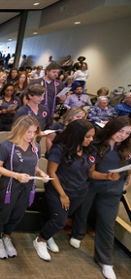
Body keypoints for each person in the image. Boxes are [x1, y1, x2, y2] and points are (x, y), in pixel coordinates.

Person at [70, 117, 131, 279]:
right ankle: (77, 234)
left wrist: (126, 184)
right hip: (92, 183)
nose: (123, 135)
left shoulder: (127, 147)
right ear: (112, 128)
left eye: (127, 133)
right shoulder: (96, 143)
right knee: (83, 212)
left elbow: (129, 171)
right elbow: (91, 172)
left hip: (112, 190)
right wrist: (108, 177)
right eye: (120, 131)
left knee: (107, 225)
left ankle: (105, 261)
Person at [34, 119, 95, 262]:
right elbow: (52, 173)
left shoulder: (89, 150)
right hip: (59, 189)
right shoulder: (59, 149)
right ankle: (40, 240)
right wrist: (62, 195)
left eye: (92, 136)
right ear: (77, 135)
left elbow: (91, 173)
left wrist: (107, 176)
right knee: (60, 221)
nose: (91, 140)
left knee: (59, 218)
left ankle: (48, 236)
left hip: (79, 191)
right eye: (88, 136)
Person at [0, 115, 49, 259]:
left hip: (27, 188)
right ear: (19, 130)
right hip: (9, 187)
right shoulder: (6, 146)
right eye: (28, 132)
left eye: (34, 132)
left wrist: (42, 173)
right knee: (4, 214)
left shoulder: (35, 147)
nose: (31, 136)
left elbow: (34, 166)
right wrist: (16, 175)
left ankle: (6, 237)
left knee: (17, 215)